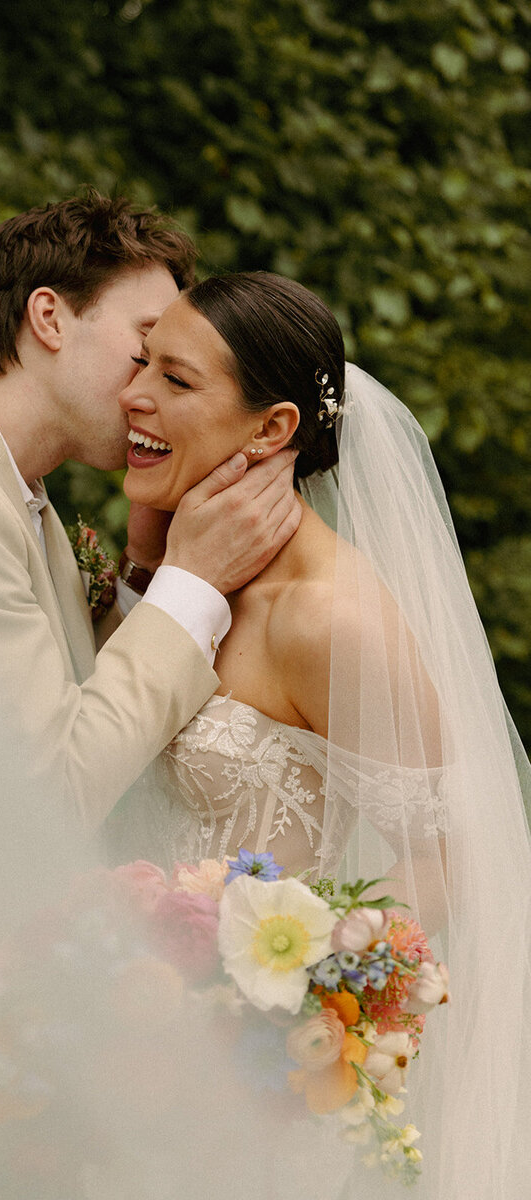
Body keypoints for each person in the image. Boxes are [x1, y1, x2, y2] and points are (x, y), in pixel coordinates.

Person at [0, 197, 301, 1196]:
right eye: (144, 351)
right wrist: (197, 588)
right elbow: (49, 783)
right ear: (47, 318)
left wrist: (151, 576)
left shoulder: (9, 491)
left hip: (3, 1049)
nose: (151, 390)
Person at [112, 270, 531, 1199]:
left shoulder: (331, 619)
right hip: (125, 1042)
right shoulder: (189, 565)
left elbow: (450, 853)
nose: (134, 394)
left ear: (272, 430)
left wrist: (286, 1004)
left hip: (245, 1088)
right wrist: (147, 563)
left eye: (177, 382)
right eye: (143, 365)